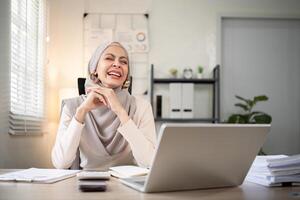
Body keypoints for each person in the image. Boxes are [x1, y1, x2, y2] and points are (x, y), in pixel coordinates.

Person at [51, 41, 156, 170]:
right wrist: (82, 111)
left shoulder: (141, 107)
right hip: (87, 184)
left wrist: (120, 112)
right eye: (109, 58)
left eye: (123, 62)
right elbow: (61, 163)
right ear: (94, 69)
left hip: (129, 184)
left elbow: (150, 162)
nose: (117, 64)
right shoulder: (73, 107)